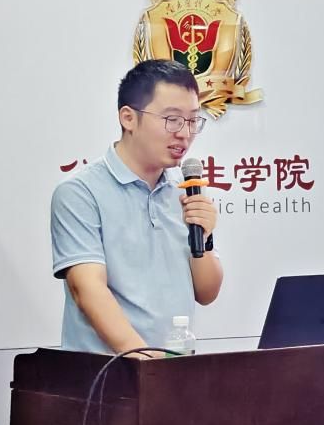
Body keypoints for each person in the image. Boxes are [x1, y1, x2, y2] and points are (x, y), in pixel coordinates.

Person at [50, 59, 223, 355]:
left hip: (175, 368)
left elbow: (206, 292)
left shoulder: (185, 188)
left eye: (193, 120)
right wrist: (145, 360)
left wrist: (204, 240)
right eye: (172, 119)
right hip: (106, 373)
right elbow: (87, 290)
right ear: (129, 118)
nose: (185, 133)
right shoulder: (80, 192)